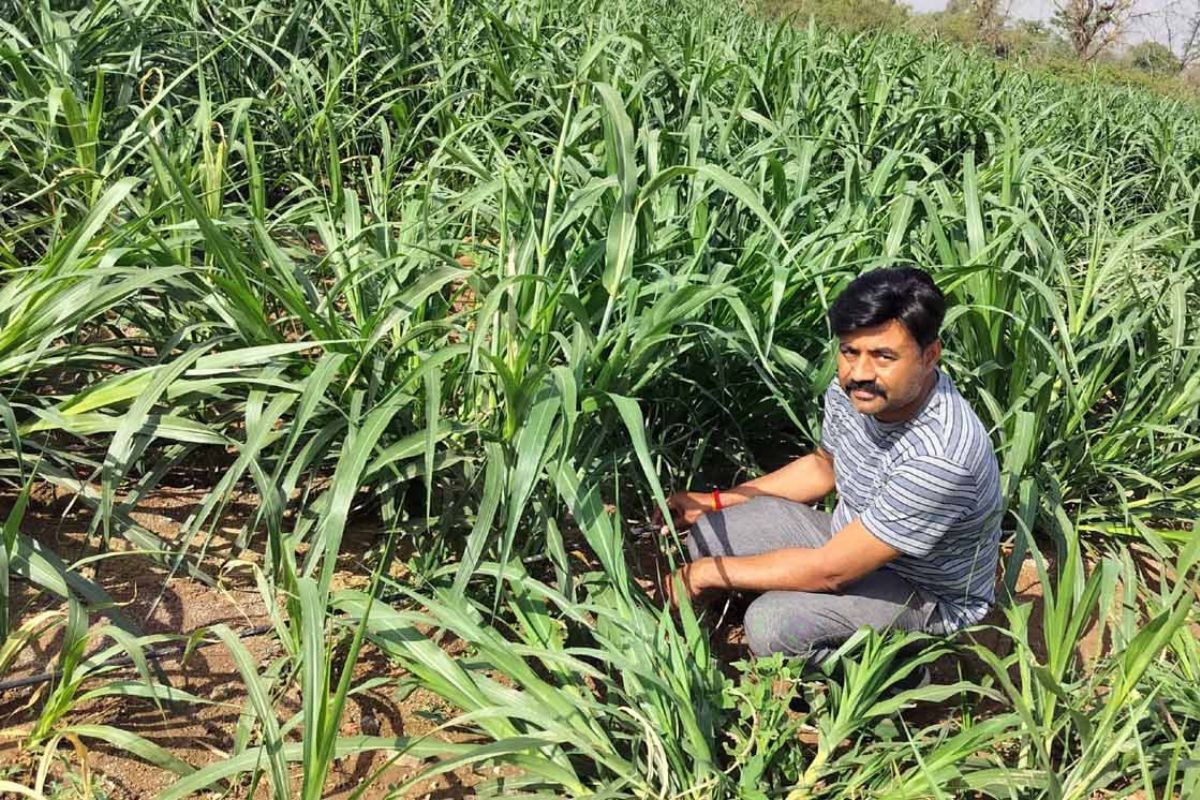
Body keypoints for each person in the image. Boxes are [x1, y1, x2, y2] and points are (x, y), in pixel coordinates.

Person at [657, 267, 1002, 662]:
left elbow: (830, 571)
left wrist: (704, 576)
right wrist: (714, 501)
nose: (859, 372)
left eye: (884, 356)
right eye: (849, 351)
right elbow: (823, 468)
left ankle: (907, 669)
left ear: (930, 355)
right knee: (709, 536)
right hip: (850, 538)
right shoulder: (855, 391)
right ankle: (805, 610)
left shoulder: (941, 458)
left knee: (771, 627)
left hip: (923, 593)